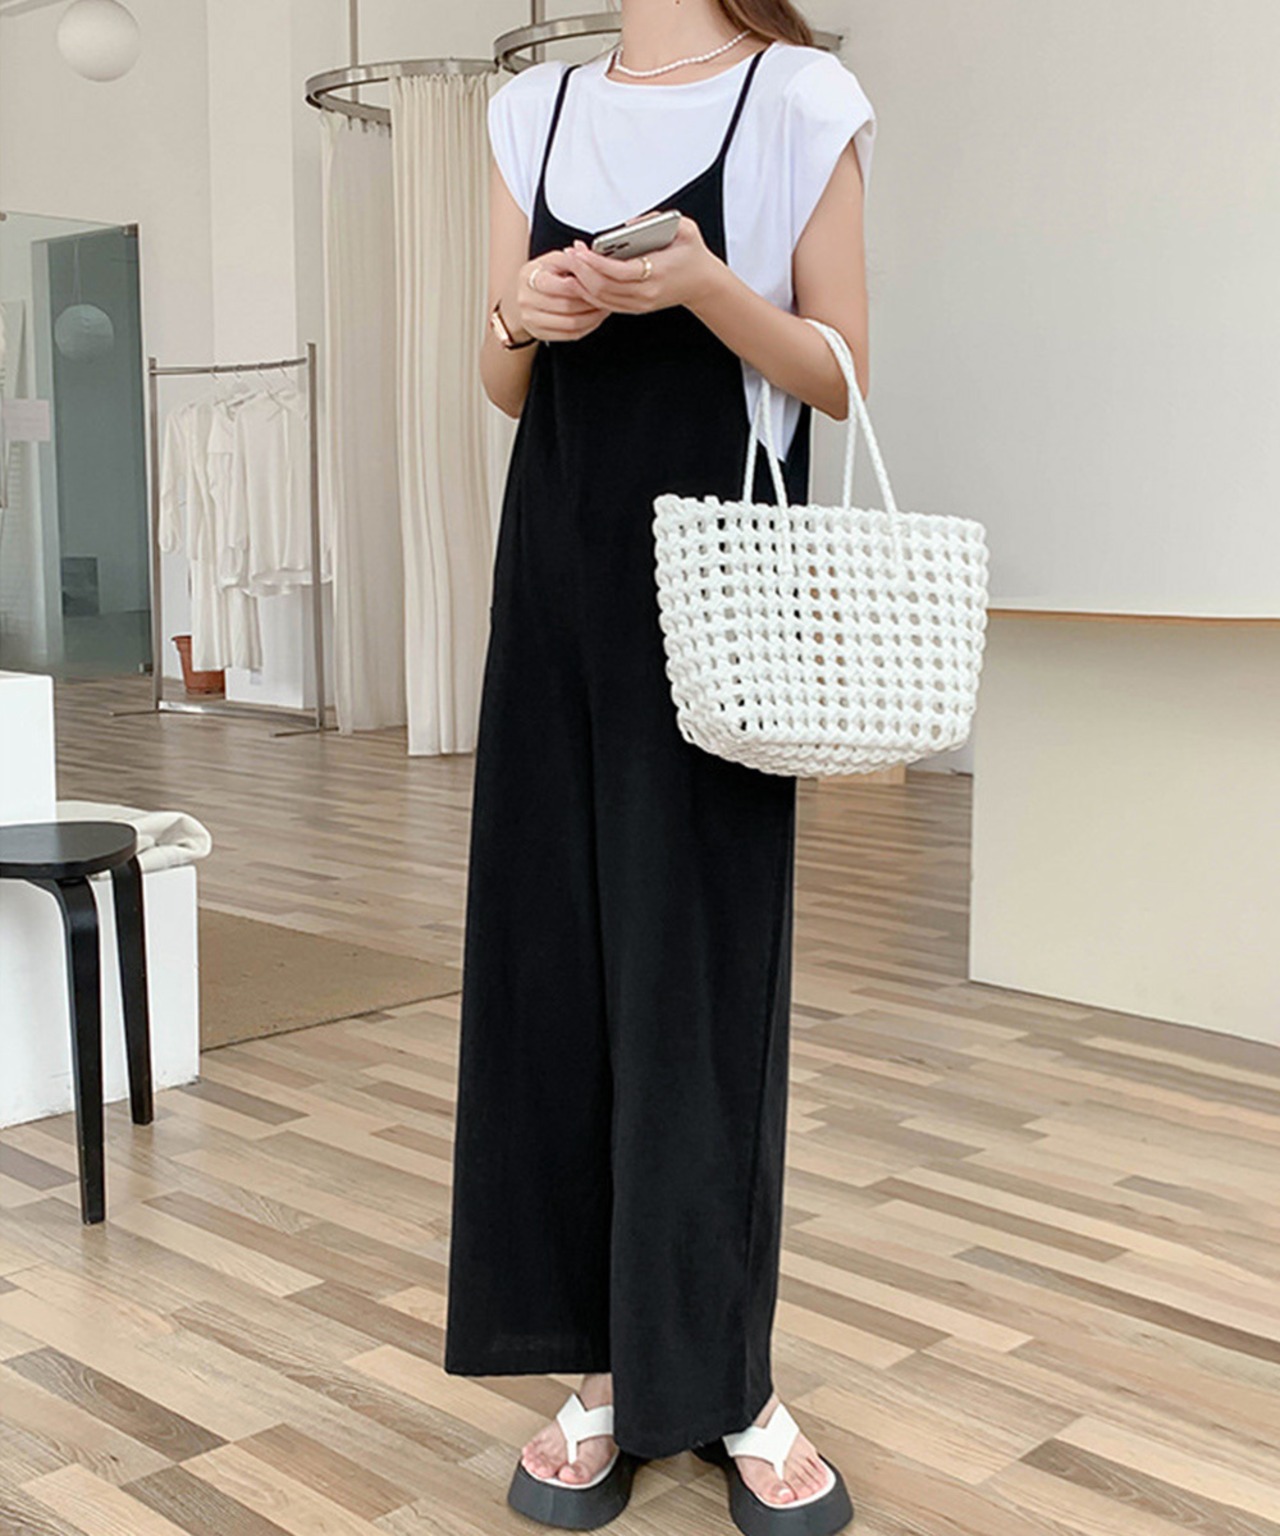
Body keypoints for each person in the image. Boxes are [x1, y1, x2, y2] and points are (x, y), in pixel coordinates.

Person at [444, 2, 874, 1532]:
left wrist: (701, 285)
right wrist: (523, 318)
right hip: (557, 584)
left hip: (717, 601)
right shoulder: (533, 111)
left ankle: (728, 1380)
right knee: (555, 970)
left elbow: (838, 375)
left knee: (700, 979)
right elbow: (501, 384)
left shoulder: (800, 95)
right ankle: (608, 1368)